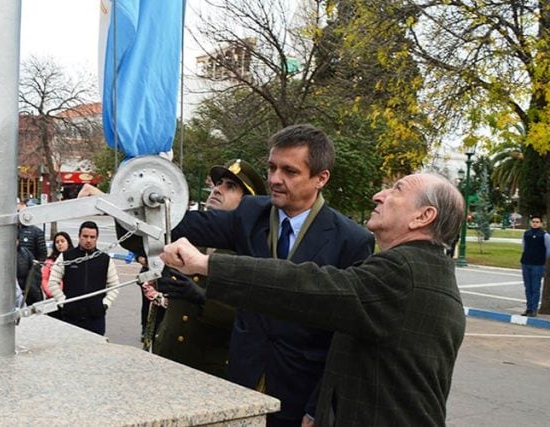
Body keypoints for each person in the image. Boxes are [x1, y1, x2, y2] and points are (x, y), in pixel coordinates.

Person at [162, 173, 467, 426]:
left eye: (396, 190)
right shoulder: (421, 270)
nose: (379, 195)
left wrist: (207, 265)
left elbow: (309, 287)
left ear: (423, 216)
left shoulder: (403, 273)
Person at [168, 124, 375, 426]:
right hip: (242, 380)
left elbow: (347, 339)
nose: (275, 179)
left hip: (299, 392)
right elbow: (187, 224)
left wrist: (318, 406)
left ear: (321, 178)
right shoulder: (250, 213)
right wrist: (133, 205)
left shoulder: (351, 241)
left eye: (289, 171)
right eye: (272, 167)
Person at [153, 158, 267, 378]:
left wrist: (202, 297)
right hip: (168, 356)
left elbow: (252, 314)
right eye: (218, 183)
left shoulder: (251, 251)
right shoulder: (191, 237)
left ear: (249, 204)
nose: (217, 190)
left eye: (230, 187)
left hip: (211, 368)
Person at [46, 221, 120, 335]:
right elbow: (53, 282)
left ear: (97, 238)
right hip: (71, 317)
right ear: (79, 236)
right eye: (85, 236)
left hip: (96, 318)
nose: (88, 240)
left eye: (92, 237)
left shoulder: (105, 259)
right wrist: (63, 302)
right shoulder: (66, 256)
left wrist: (105, 304)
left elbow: (115, 286)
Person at [17, 201, 47, 305]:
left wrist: (33, 273)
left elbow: (42, 254)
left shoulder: (36, 232)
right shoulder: (10, 231)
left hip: (30, 275)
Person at [520, 215, 550, 317]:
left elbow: (548, 250)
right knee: (528, 287)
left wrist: (541, 259)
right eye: (533, 221)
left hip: (538, 265)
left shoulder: (545, 235)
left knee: (535, 287)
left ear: (541, 223)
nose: (535, 223)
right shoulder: (526, 234)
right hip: (526, 263)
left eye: (537, 222)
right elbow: (523, 247)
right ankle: (528, 308)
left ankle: (533, 309)